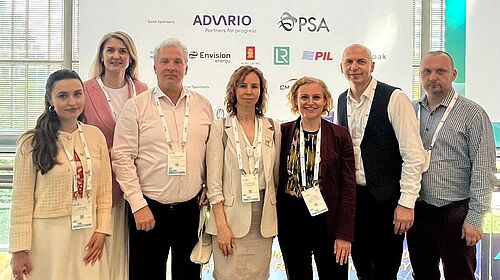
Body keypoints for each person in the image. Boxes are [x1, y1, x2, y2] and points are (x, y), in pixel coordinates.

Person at [111, 38, 213, 280]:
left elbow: (212, 151)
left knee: (189, 275)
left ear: (186, 68)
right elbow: (122, 158)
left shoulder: (203, 105)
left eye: (178, 62)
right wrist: (138, 204)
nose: (171, 67)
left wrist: (210, 185)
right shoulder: (135, 106)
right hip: (148, 210)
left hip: (191, 210)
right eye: (164, 61)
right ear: (154, 66)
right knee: (145, 274)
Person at [9, 69, 112, 280]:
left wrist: (102, 230)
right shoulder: (31, 142)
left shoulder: (95, 136)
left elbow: (104, 192)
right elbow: (21, 202)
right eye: (63, 96)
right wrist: (19, 251)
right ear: (50, 100)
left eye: (77, 94)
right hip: (47, 237)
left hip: (88, 233)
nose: (72, 102)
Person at [336, 44, 426, 280]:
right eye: (349, 62)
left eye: (361, 62)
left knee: (386, 270)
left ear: (372, 66)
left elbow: (414, 154)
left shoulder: (394, 98)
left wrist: (406, 203)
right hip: (356, 201)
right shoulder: (341, 100)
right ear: (341, 67)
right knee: (363, 267)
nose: (354, 67)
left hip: (388, 202)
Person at [407, 51, 496, 280]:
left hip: (456, 211)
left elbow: (483, 168)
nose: (433, 77)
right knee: (423, 274)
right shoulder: (410, 111)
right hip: (418, 210)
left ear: (453, 74)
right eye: (427, 71)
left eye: (440, 71)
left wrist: (475, 218)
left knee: (460, 275)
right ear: (420, 75)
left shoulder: (473, 114)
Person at [205, 66, 281, 280]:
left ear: (261, 91)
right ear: (233, 90)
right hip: (229, 219)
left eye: (254, 86)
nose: (249, 91)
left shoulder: (273, 128)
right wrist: (221, 226)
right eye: (243, 85)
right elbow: (214, 183)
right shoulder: (220, 127)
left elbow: (275, 177)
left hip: (263, 220)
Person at [278, 76, 356, 279]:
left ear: (325, 102)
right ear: (295, 100)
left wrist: (344, 234)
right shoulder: (283, 132)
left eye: (316, 97)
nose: (310, 102)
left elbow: (348, 188)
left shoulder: (340, 136)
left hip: (328, 218)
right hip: (292, 218)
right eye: (304, 97)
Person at [84, 31, 147, 280]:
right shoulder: (85, 90)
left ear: (131, 57)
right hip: (101, 185)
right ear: (101, 56)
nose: (116, 56)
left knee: (130, 253)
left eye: (122, 51)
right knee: (99, 249)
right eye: (110, 50)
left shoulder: (143, 91)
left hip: (137, 185)